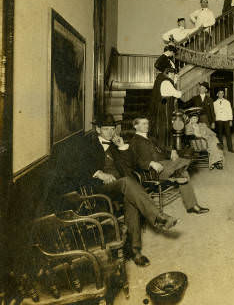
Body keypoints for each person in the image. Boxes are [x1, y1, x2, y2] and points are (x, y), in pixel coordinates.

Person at [64, 114, 178, 267]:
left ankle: (135, 252)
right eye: (106, 129)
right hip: (100, 191)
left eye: (113, 129)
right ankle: (158, 217)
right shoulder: (88, 145)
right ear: (98, 129)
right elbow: (76, 168)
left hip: (122, 188)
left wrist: (122, 147)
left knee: (132, 201)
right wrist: (99, 173)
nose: (110, 133)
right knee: (126, 183)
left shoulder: (115, 146)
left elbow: (131, 165)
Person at [129, 117, 209, 214]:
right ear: (135, 126)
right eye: (143, 124)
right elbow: (134, 161)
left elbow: (163, 148)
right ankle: (191, 204)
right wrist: (150, 163)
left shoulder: (151, 138)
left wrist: (172, 151)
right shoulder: (134, 141)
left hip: (165, 164)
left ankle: (191, 204)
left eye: (147, 123)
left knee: (184, 170)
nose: (146, 126)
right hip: (154, 171)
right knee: (186, 161)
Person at [148, 67, 182, 149]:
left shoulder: (163, 80)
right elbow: (177, 94)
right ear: (169, 74)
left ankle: (163, 146)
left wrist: (174, 81)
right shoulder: (167, 82)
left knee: (162, 125)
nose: (174, 76)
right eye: (174, 75)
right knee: (166, 125)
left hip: (163, 105)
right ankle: (165, 147)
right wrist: (180, 89)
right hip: (165, 106)